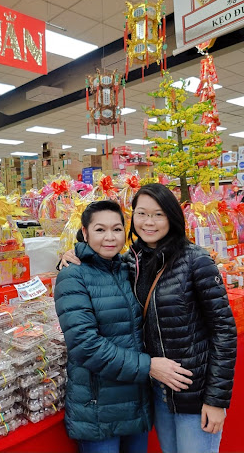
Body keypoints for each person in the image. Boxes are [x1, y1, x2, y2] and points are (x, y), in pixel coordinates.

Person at [60, 184, 237, 453]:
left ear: (172, 217)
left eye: (158, 214)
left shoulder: (196, 261)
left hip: (193, 392)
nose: (149, 222)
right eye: (142, 214)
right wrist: (69, 256)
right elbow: (85, 335)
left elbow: (224, 331)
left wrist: (217, 399)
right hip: (157, 392)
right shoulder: (132, 262)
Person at [55, 199, 193, 453]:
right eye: (100, 230)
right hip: (99, 409)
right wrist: (149, 366)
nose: (110, 237)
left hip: (136, 403)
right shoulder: (72, 276)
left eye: (117, 229)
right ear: (84, 233)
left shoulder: (127, 268)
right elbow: (85, 346)